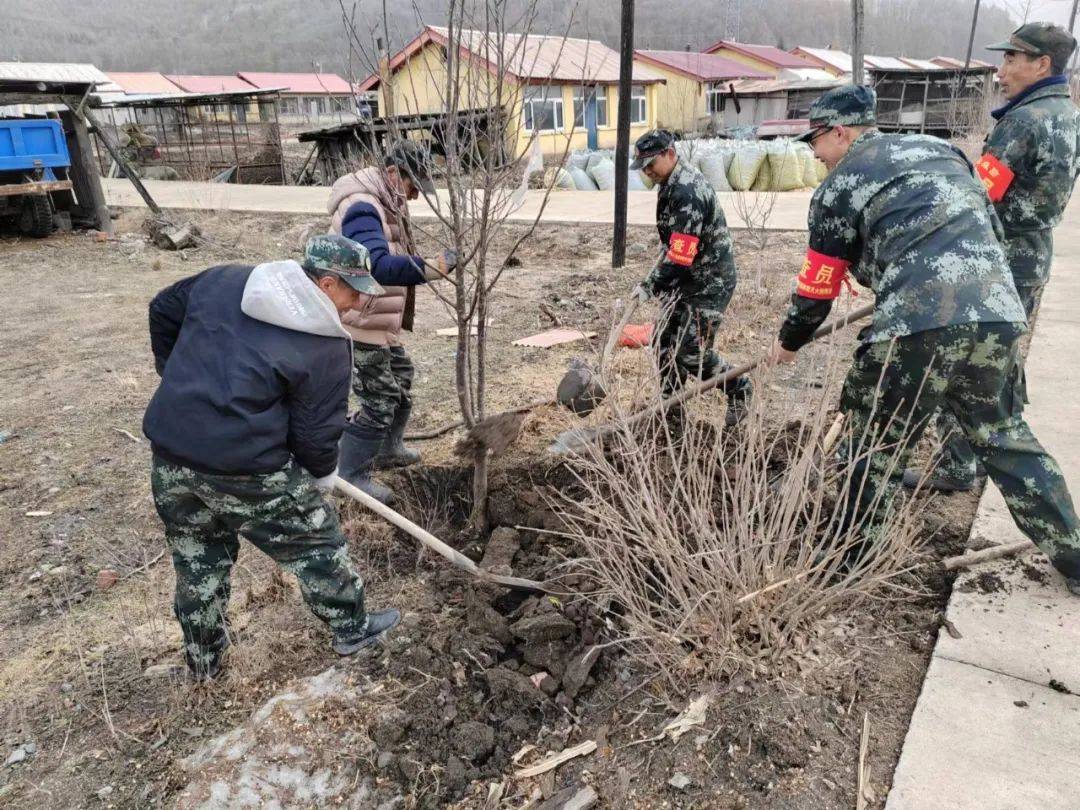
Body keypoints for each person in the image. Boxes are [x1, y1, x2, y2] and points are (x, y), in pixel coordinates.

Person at [768, 85, 1080, 592]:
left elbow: (816, 288)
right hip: (998, 310)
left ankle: (850, 566)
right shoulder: (940, 152)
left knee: (876, 446)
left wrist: (788, 342)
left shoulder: (839, 186)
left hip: (917, 325)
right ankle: (1077, 557)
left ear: (840, 133)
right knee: (1004, 438)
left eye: (815, 143)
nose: (816, 155)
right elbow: (990, 227)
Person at [142, 235, 401, 679]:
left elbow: (162, 309)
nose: (358, 304)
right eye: (354, 291)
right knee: (316, 543)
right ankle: (352, 628)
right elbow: (316, 438)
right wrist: (320, 480)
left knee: (198, 558)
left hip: (173, 453)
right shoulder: (325, 346)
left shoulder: (225, 280)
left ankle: (205, 663)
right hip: (246, 467)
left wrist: (176, 376)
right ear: (325, 283)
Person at [905, 21, 1080, 492]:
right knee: (999, 359)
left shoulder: (1023, 121)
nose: (1001, 70)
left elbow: (978, 198)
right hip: (1032, 257)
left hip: (998, 259)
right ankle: (976, 454)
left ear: (1042, 64)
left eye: (1010, 59)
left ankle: (959, 464)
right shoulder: (1066, 111)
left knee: (964, 363)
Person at [328, 140, 454, 504]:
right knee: (380, 397)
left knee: (401, 377)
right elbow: (376, 266)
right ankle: (350, 475)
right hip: (358, 320)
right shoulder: (363, 208)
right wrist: (435, 267)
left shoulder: (384, 200)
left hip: (376, 318)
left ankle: (388, 449)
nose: (415, 196)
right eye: (413, 186)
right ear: (393, 174)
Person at [629, 129, 751, 425]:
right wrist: (655, 277)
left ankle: (739, 388)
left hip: (710, 281)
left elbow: (680, 256)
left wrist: (651, 286)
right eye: (643, 166)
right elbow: (674, 244)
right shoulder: (669, 182)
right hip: (687, 278)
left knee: (691, 354)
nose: (647, 171)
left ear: (670, 154)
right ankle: (671, 407)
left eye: (651, 164)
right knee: (662, 341)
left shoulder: (687, 191)